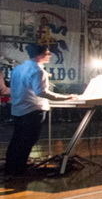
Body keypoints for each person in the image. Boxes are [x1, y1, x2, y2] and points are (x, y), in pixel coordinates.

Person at [3, 45, 77, 175]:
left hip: (18, 109)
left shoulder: (18, 69)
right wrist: (66, 97)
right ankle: (19, 170)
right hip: (33, 110)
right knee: (27, 141)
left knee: (17, 139)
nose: (50, 55)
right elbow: (41, 92)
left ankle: (11, 167)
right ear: (39, 55)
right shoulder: (38, 71)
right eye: (47, 53)